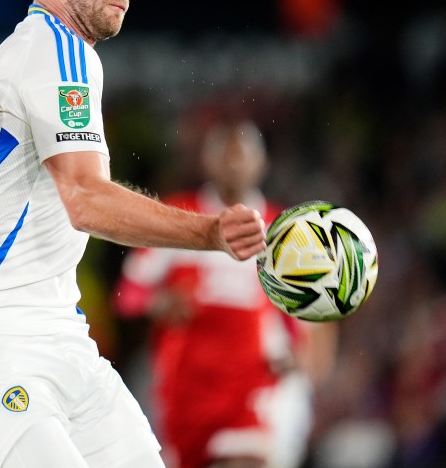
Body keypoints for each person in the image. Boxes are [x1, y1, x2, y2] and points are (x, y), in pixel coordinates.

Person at [0, 0, 268, 468]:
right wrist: (211, 233)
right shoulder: (56, 50)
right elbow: (85, 199)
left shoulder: (35, 53)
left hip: (60, 338)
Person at [113, 118, 335, 468]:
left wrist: (304, 359)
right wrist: (158, 303)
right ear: (208, 161)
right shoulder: (178, 215)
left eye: (243, 155)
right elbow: (127, 296)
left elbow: (313, 312)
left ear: (262, 163)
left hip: (254, 388)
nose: (235, 164)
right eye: (226, 155)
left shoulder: (284, 231)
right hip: (185, 391)